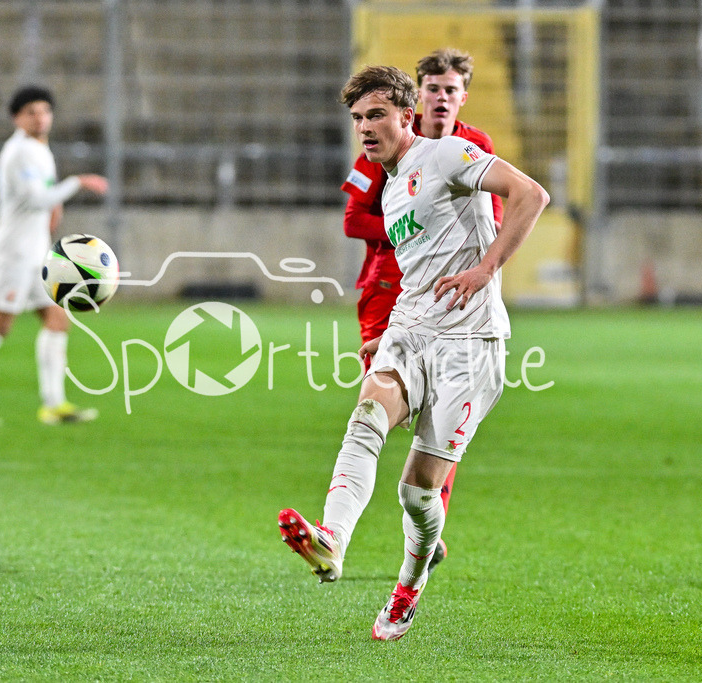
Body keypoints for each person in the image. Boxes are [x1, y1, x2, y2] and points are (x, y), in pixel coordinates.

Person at [279, 65, 549, 640]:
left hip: (471, 343)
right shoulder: (390, 183)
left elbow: (532, 194)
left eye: (376, 115)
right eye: (357, 118)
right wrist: (390, 334)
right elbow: (421, 267)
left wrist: (485, 269)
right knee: (365, 417)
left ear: (408, 115)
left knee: (416, 491)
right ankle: (332, 540)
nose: (364, 128)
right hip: (409, 331)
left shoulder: (447, 155)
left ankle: (409, 583)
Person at [339, 48, 505, 574]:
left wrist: (483, 263)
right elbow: (352, 220)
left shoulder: (469, 148)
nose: (441, 98)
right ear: (420, 95)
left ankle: (426, 532)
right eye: (433, 88)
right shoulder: (379, 156)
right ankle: (335, 535)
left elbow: (501, 209)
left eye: (450, 90)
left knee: (435, 440)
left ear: (462, 97)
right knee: (373, 410)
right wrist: (412, 231)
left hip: (455, 305)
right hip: (392, 291)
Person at [0, 86, 108, 426]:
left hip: (36, 252)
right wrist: (76, 183)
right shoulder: (19, 152)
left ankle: (54, 404)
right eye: (31, 112)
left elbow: (44, 197)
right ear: (16, 118)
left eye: (45, 111)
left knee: (57, 319)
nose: (40, 118)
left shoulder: (39, 149)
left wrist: (55, 207)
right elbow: (37, 199)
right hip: (14, 253)